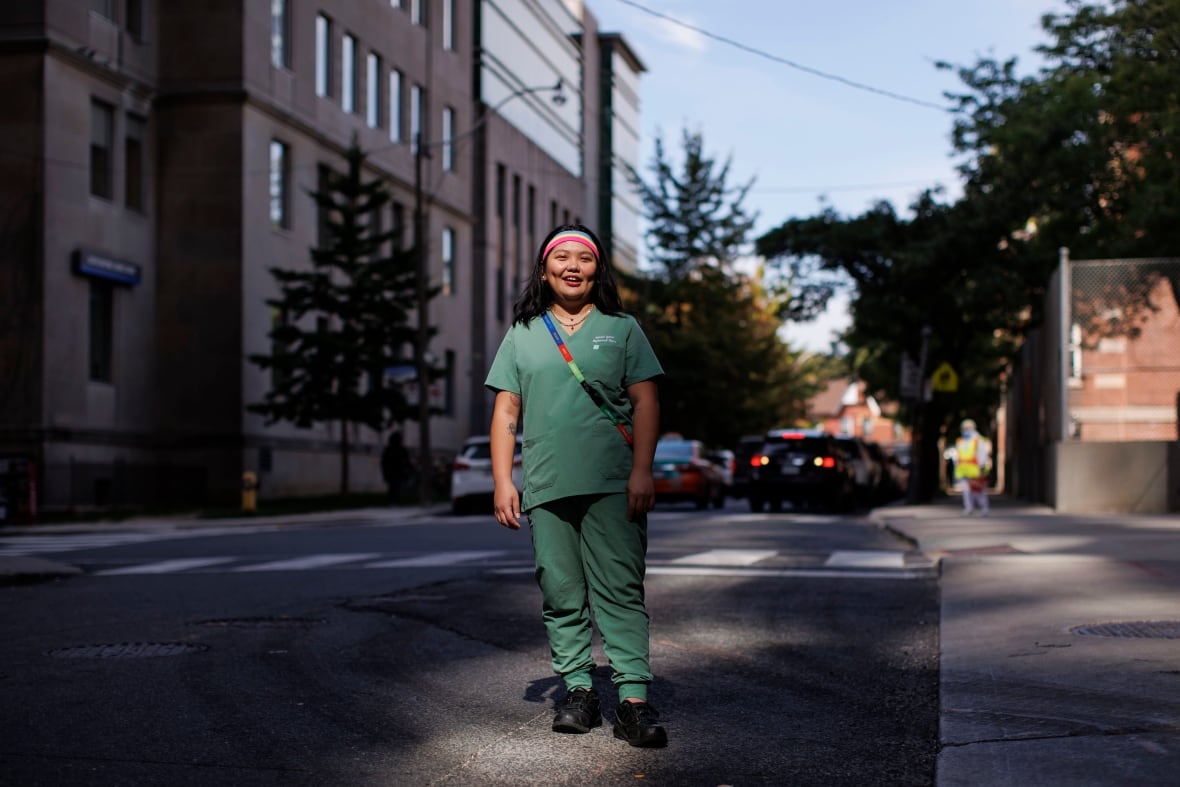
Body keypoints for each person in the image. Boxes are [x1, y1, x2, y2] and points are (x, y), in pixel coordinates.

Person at [484, 224, 667, 748]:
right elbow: (506, 413)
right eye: (561, 258)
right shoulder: (523, 333)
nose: (572, 266)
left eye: (582, 259)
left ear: (596, 270)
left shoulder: (623, 328)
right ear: (544, 270)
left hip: (614, 483)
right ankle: (579, 691)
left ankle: (633, 698)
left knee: (620, 592)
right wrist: (503, 481)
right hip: (546, 484)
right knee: (562, 594)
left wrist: (642, 469)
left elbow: (646, 401)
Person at [947, 418, 992, 515]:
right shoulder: (960, 441)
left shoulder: (978, 440)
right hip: (963, 469)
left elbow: (982, 454)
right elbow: (957, 455)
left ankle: (984, 507)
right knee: (966, 491)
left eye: (968, 428)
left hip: (974, 469)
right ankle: (968, 507)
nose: (965, 430)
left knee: (978, 490)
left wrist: (981, 466)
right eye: (964, 428)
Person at [380, 430, 411, 503]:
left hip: (395, 472)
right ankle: (394, 500)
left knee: (395, 487)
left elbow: (406, 461)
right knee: (394, 487)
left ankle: (394, 500)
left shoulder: (390, 450)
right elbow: (384, 463)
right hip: (394, 472)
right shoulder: (393, 450)